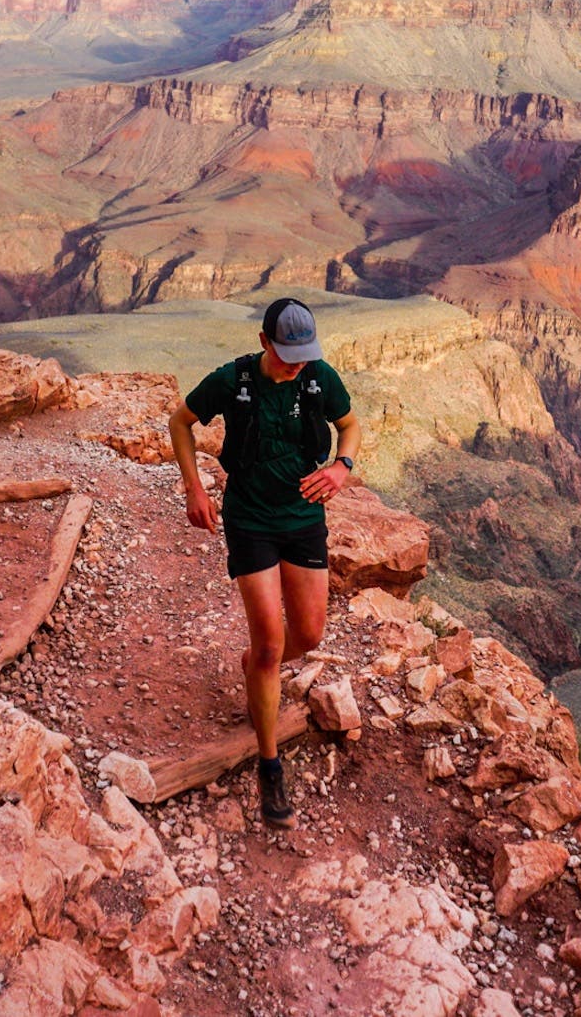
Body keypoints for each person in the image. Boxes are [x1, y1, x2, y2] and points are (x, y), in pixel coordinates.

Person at [168, 297, 360, 830]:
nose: (297, 363)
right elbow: (180, 421)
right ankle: (270, 765)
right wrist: (194, 488)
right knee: (274, 643)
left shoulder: (319, 378)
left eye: (303, 354)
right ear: (263, 342)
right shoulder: (233, 380)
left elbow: (349, 425)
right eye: (287, 353)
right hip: (250, 518)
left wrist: (342, 466)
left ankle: (255, 667)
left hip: (302, 516)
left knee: (311, 633)